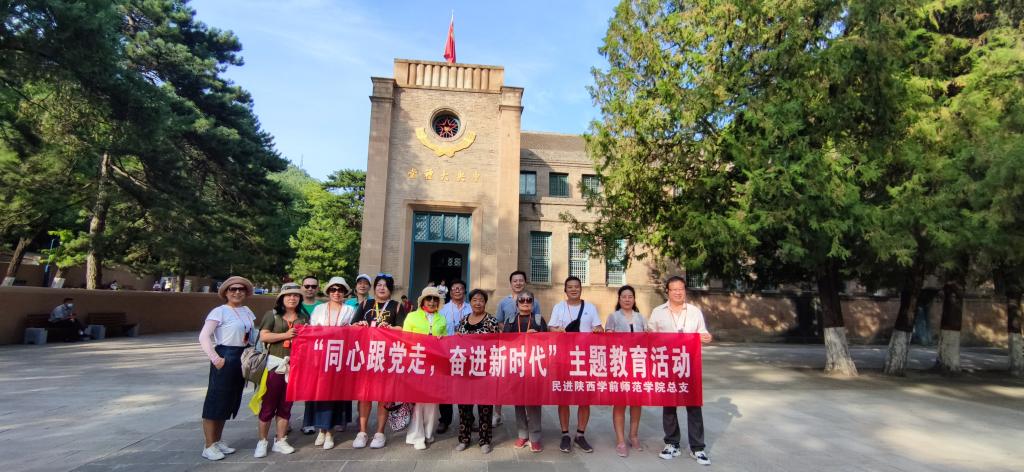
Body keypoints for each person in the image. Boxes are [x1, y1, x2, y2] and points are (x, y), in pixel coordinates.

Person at [647, 276, 713, 466]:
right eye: (674, 289)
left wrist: (705, 337)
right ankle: (672, 443)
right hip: (667, 365)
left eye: (681, 289)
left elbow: (702, 332)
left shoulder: (694, 312)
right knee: (669, 405)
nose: (678, 292)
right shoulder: (658, 312)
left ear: (685, 290)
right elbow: (650, 336)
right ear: (667, 291)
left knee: (693, 406)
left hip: (689, 364)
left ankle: (698, 447)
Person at [198, 276, 256, 461]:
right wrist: (216, 359)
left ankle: (217, 440)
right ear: (226, 292)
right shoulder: (219, 311)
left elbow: (251, 334)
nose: (237, 292)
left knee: (229, 399)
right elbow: (204, 336)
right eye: (233, 289)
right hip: (226, 354)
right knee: (216, 399)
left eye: (241, 289)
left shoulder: (247, 311)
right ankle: (209, 445)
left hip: (242, 355)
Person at [350, 273, 408, 449]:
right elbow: (352, 325)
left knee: (383, 396)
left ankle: (380, 432)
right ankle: (362, 432)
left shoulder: (396, 306)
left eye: (385, 285)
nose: (382, 288)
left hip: (387, 356)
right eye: (379, 285)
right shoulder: (365, 304)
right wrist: (360, 325)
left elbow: (403, 329)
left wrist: (390, 328)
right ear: (374, 288)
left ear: (390, 289)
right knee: (364, 395)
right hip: (365, 355)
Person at [548, 276, 604, 453]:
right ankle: (565, 434)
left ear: (581, 289)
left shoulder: (590, 307)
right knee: (563, 397)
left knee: (584, 398)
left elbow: (599, 328)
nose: (573, 289)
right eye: (570, 287)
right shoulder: (559, 307)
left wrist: (598, 330)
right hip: (564, 358)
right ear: (565, 290)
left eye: (576, 287)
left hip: (585, 358)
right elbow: (551, 328)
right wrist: (557, 330)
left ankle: (580, 434)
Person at [254, 283, 308, 458]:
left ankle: (280, 440)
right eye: (288, 295)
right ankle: (262, 441)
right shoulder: (272, 315)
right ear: (281, 298)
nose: (292, 298)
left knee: (286, 405)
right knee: (269, 405)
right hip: (274, 366)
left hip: (294, 367)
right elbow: (263, 336)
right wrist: (285, 335)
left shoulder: (303, 317)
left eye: (296, 295)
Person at [308, 276, 356, 449]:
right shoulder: (319, 309)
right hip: (321, 356)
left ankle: (330, 432)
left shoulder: (349, 310)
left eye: (340, 290)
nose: (337, 293)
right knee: (321, 393)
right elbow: (312, 330)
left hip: (340, 356)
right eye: (333, 290)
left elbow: (353, 332)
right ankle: (321, 429)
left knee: (335, 394)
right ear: (328, 292)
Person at [493, 270, 541, 427]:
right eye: (515, 281)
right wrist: (511, 332)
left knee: (526, 381)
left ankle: (527, 414)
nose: (518, 283)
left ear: (525, 282)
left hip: (529, 350)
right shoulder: (503, 302)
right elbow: (499, 321)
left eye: (521, 280)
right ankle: (497, 413)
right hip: (510, 348)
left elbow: (538, 322)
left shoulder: (534, 301)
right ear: (511, 283)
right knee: (502, 379)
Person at [402, 287, 447, 450]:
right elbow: (405, 338)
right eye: (429, 299)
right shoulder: (412, 316)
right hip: (417, 363)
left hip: (435, 365)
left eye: (435, 299)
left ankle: (428, 432)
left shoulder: (442, 318)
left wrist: (442, 339)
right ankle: (417, 435)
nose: (432, 302)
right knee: (419, 400)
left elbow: (446, 340)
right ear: (422, 301)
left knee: (433, 401)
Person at [604, 285, 647, 457]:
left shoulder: (641, 317)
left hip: (638, 364)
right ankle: (620, 440)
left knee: (636, 402)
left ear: (634, 299)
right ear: (619, 299)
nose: (627, 299)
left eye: (630, 297)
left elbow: (648, 338)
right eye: (624, 297)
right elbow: (607, 339)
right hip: (620, 364)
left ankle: (633, 435)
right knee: (620, 402)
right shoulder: (613, 317)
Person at [453, 289, 498, 454]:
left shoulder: (491, 321)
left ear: (485, 302)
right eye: (474, 300)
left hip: (484, 370)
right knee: (464, 406)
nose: (478, 303)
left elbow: (497, 344)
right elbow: (457, 342)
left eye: (481, 300)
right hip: (465, 370)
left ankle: (484, 440)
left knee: (485, 406)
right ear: (470, 302)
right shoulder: (464, 320)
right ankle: (464, 438)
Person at [504, 290, 547, 452]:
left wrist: (537, 336)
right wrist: (522, 336)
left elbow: (547, 342)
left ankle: (535, 437)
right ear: (517, 304)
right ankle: (522, 434)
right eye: (522, 300)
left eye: (529, 300)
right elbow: (505, 342)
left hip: (534, 366)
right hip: (516, 366)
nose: (525, 302)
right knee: (519, 402)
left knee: (534, 402)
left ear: (533, 303)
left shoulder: (538, 319)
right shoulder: (510, 320)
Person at [437, 279, 472, 434]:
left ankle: (468, 419)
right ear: (450, 292)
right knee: (445, 387)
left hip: (467, 354)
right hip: (447, 354)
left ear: (465, 291)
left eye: (460, 288)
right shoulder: (443, 310)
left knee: (467, 387)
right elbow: (438, 330)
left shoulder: (471, 308)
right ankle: (445, 420)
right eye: (454, 288)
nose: (457, 290)